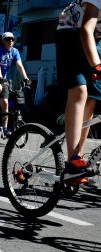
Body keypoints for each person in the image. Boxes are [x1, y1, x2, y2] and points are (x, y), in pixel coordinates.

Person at [56, 0, 101, 187]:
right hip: (70, 32)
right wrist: (97, 67)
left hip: (95, 37)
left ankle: (78, 158)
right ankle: (73, 160)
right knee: (80, 90)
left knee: (93, 96)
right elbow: (85, 30)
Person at [0, 32, 30, 138]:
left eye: (12, 39)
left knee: (5, 104)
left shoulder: (15, 51)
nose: (10, 41)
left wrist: (26, 78)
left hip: (2, 79)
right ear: (2, 40)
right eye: (8, 39)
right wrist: (0, 77)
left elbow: (19, 65)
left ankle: (4, 129)